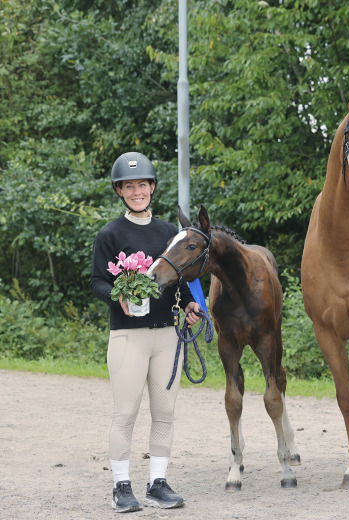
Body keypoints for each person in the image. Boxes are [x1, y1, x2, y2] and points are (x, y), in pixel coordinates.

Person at [90, 152, 202, 513]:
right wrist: (117, 295)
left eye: (142, 184)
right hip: (128, 336)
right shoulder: (110, 233)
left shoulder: (170, 231)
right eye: (129, 186)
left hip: (168, 335)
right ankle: (121, 487)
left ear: (152, 187)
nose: (137, 191)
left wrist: (188, 304)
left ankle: (158, 483)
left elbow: (181, 276)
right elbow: (96, 282)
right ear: (119, 191)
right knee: (125, 413)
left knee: (165, 412)